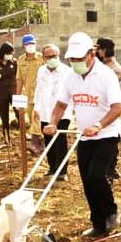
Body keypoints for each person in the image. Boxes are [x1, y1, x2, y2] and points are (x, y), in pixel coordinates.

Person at [43, 32, 121, 238]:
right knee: (87, 181)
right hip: (84, 136)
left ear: (91, 54)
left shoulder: (107, 76)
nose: (76, 63)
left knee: (97, 175)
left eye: (79, 59)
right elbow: (61, 104)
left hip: (107, 135)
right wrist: (52, 123)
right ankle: (98, 223)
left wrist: (99, 125)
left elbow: (117, 108)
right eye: (72, 59)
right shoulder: (71, 77)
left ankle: (111, 211)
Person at [33, 43, 74, 180]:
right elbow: (38, 90)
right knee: (48, 140)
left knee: (60, 140)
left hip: (62, 113)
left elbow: (71, 93)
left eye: (54, 56)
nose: (52, 59)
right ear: (43, 58)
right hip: (45, 112)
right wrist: (36, 108)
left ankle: (62, 171)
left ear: (59, 56)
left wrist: (71, 111)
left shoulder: (67, 71)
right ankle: (52, 168)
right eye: (48, 56)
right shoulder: (41, 71)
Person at [95, 37, 121, 181]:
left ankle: (112, 168)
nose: (96, 52)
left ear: (104, 50)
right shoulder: (97, 65)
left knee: (112, 138)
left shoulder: (115, 69)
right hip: (96, 107)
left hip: (110, 107)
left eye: (98, 49)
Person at [16, 33, 42, 138]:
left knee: (38, 119)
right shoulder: (21, 60)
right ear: (23, 46)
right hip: (28, 97)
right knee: (32, 120)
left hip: (41, 95)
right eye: (28, 44)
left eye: (32, 43)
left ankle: (37, 140)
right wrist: (17, 98)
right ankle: (38, 141)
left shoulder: (42, 58)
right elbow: (19, 80)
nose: (30, 45)